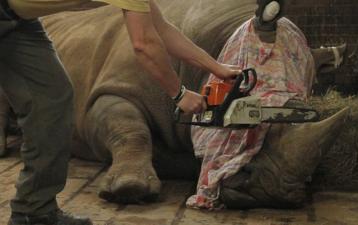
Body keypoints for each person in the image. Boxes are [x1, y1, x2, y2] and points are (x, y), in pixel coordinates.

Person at [0, 0, 240, 224]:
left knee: (52, 100)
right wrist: (179, 93)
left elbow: (162, 29)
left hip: (19, 21)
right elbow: (144, 44)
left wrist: (216, 68)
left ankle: (34, 210)